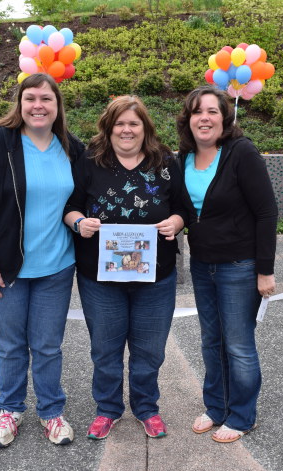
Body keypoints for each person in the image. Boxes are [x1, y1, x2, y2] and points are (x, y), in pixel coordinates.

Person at [0, 73, 85, 448]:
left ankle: (51, 411)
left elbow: (82, 200)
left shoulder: (72, 148)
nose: (38, 106)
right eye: (30, 98)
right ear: (20, 103)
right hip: (5, 269)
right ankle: (9, 410)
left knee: (47, 346)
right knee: (10, 347)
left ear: (57, 105)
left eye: (46, 99)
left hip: (56, 268)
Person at [64, 95, 186, 440]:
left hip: (156, 277)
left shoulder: (165, 162)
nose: (127, 129)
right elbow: (69, 207)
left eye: (134, 123)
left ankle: (146, 408)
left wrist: (175, 223)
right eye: (119, 123)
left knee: (150, 350)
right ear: (108, 127)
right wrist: (79, 223)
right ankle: (107, 409)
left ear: (145, 127)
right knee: (105, 349)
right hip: (100, 279)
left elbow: (183, 209)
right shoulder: (90, 161)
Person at [176, 86, 278, 443]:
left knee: (238, 344)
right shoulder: (184, 157)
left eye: (212, 111)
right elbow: (184, 210)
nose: (204, 118)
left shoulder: (241, 152)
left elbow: (266, 212)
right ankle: (217, 407)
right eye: (197, 112)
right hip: (203, 265)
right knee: (211, 341)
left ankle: (242, 415)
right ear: (188, 119)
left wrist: (265, 270)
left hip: (239, 266)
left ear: (225, 117)